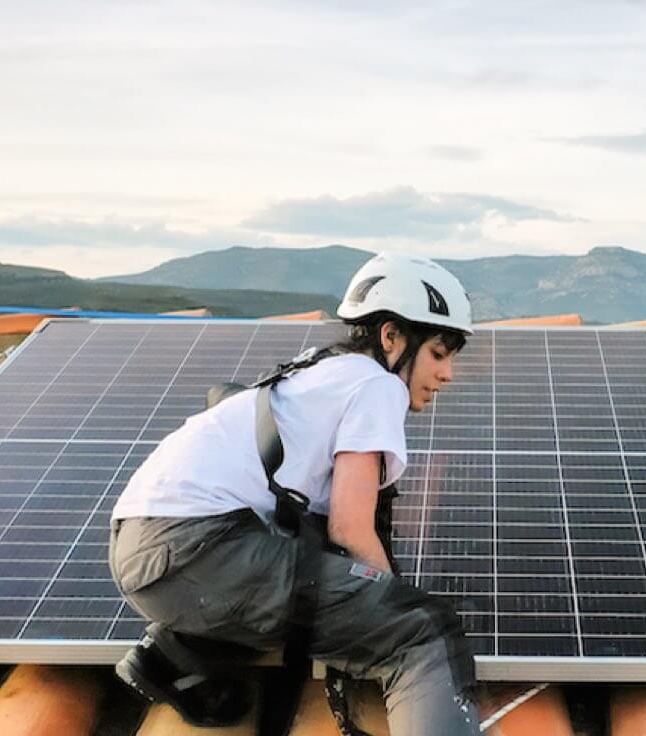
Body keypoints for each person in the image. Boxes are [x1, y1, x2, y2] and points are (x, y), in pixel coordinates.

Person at [109, 252, 480, 735]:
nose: (448, 373)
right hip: (200, 546)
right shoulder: (375, 385)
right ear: (392, 336)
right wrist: (390, 602)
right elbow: (350, 527)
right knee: (420, 630)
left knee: (313, 577)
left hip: (147, 548)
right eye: (438, 352)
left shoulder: (318, 369)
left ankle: (177, 654)